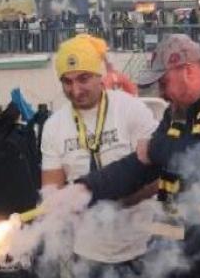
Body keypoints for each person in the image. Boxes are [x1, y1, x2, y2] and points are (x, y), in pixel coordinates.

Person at [68, 35, 200, 278]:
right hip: (188, 260)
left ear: (187, 71)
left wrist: (156, 148)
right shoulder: (176, 115)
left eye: (164, 82)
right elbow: (140, 165)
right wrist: (86, 189)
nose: (161, 93)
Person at [41, 35, 159, 276]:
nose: (76, 90)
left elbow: (158, 175)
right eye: (67, 82)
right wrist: (59, 205)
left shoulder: (131, 108)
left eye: (83, 78)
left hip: (142, 247)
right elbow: (51, 190)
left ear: (99, 75)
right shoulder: (53, 126)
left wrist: (114, 199)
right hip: (87, 256)